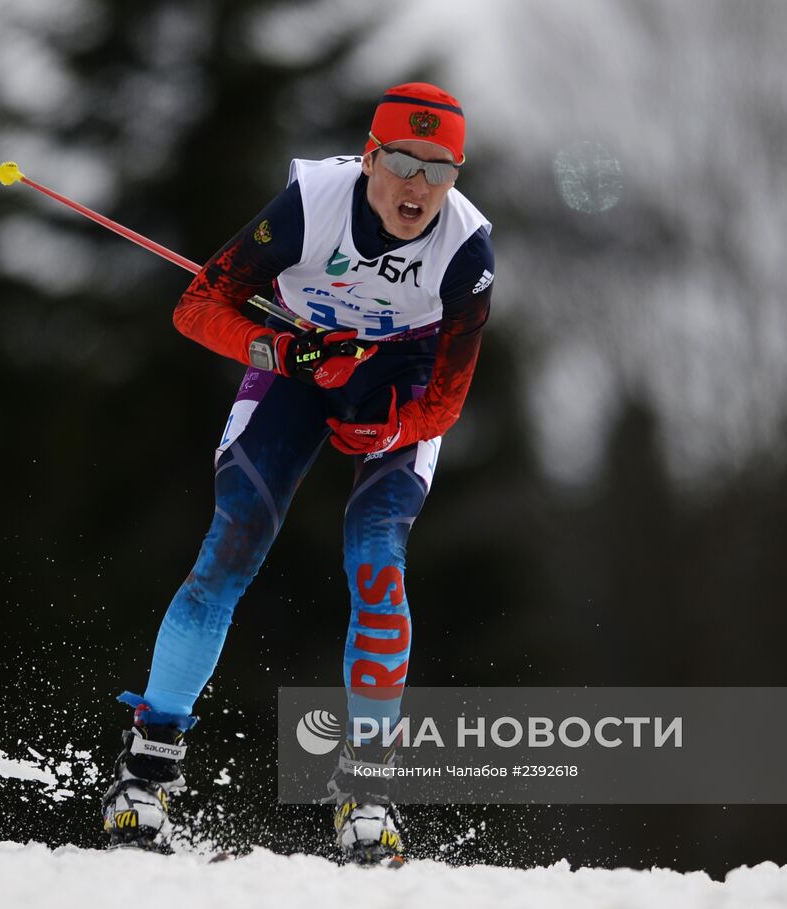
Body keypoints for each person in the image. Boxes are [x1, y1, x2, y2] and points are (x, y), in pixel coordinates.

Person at [101, 82, 495, 863]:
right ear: (371, 156)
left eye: (439, 168)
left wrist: (393, 424)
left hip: (399, 380)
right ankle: (145, 769)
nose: (417, 187)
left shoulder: (468, 247)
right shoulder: (312, 201)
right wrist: (283, 351)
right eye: (404, 163)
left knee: (376, 555)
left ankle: (366, 788)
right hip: (299, 360)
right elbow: (198, 307)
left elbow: (447, 398)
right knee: (233, 540)